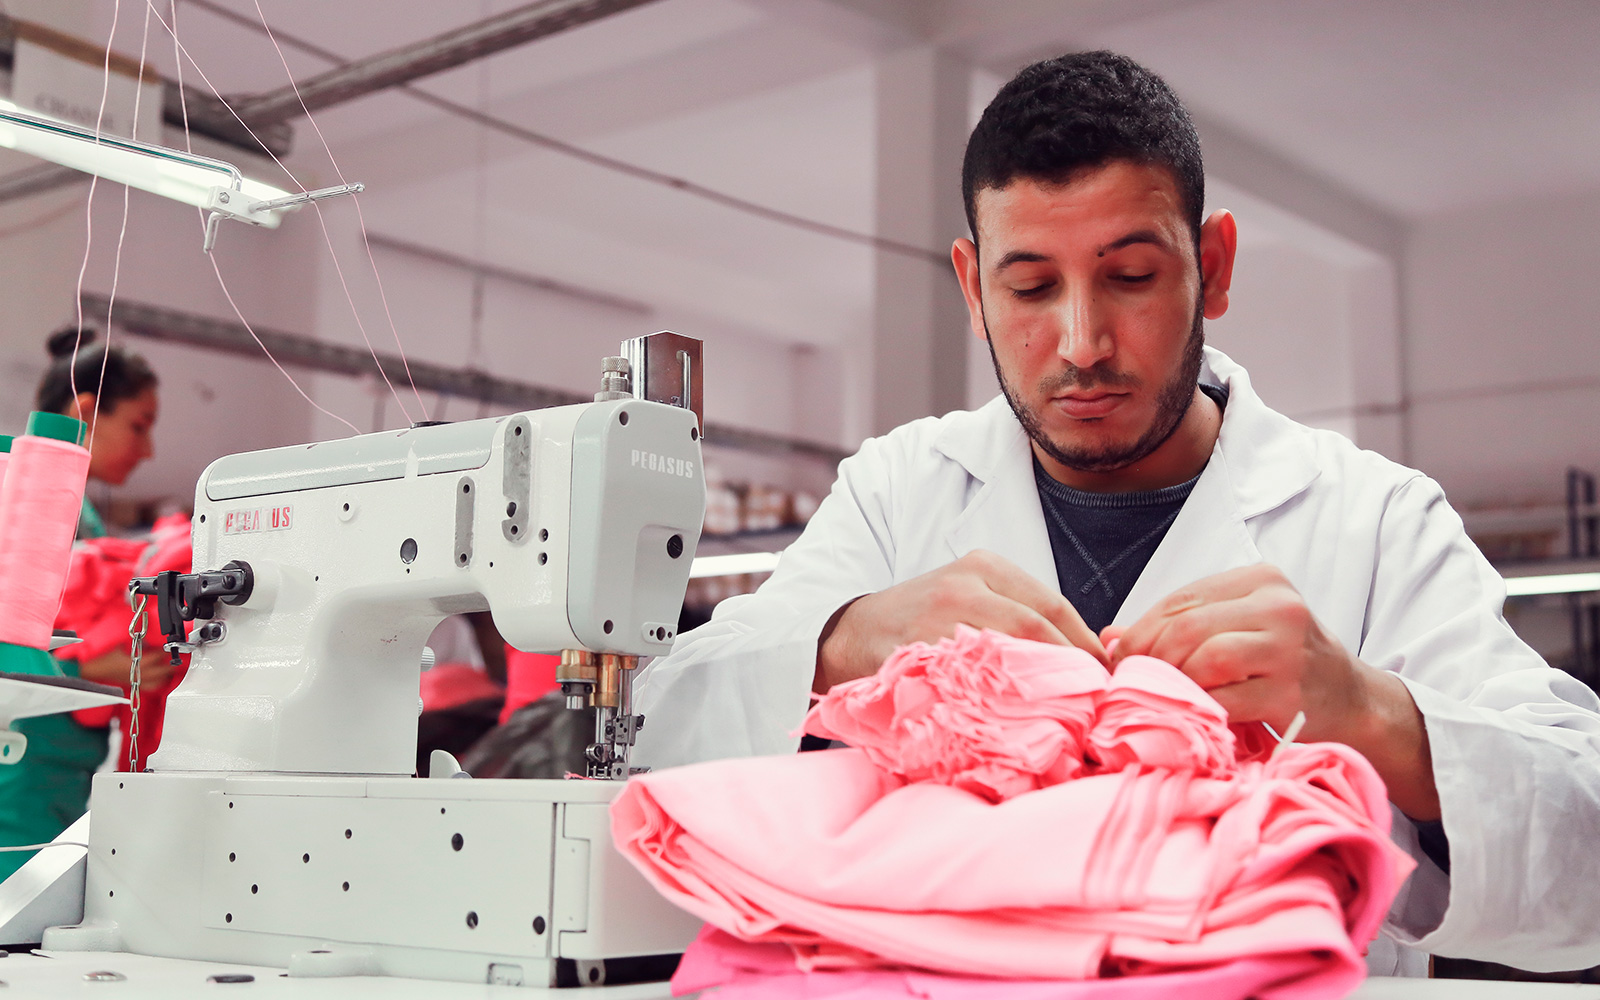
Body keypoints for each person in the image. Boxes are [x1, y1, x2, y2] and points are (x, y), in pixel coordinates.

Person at [633, 51, 1600, 976]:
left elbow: (1587, 858)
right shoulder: (899, 494)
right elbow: (656, 735)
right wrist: (836, 644)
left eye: (1131, 276)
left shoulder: (1376, 521)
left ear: (1212, 266)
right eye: (1032, 287)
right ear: (973, 287)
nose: (1083, 342)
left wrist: (1370, 711)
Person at [0, 329, 165, 880]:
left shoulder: (81, 521)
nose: (148, 450)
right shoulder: (18, 503)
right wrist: (86, 668)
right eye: (138, 426)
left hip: (58, 773)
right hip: (17, 765)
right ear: (86, 410)